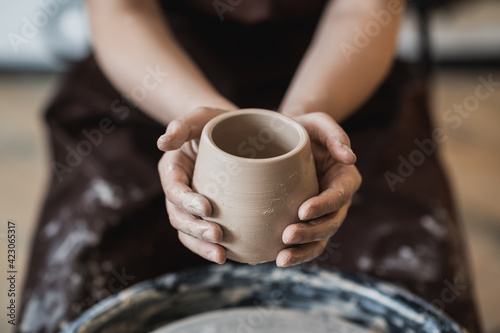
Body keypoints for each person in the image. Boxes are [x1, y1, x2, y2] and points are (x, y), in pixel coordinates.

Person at [18, 0, 482, 332]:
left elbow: (363, 10)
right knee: (78, 289)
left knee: (413, 288)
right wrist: (200, 120)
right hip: (155, 77)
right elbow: (121, 10)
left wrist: (301, 126)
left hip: (338, 76)